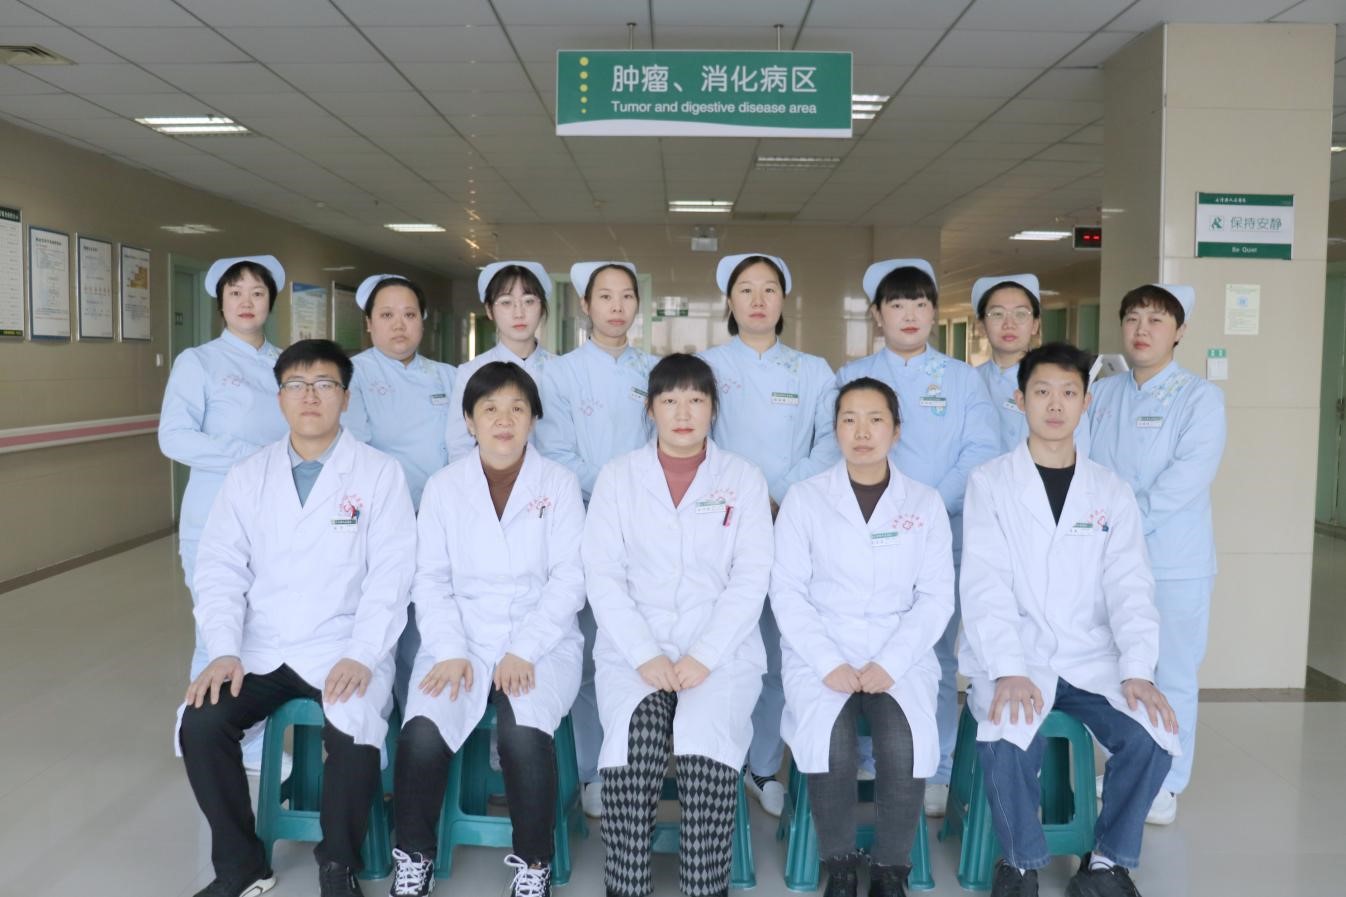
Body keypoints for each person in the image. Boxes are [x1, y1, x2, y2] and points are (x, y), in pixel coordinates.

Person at [179, 339, 416, 897]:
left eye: (324, 384)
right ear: (280, 397)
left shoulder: (379, 474)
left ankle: (337, 864)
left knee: (353, 724)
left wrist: (363, 652)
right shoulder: (248, 475)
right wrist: (224, 648)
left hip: (343, 644)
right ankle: (241, 866)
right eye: (296, 385)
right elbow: (219, 568)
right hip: (261, 646)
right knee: (201, 723)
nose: (310, 396)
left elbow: (392, 575)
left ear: (346, 397)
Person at [960, 342, 1179, 897]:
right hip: (1019, 651)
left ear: (1086, 403)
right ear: (1020, 400)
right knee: (1007, 734)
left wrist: (1138, 669)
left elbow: (1131, 586)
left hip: (1090, 655)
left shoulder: (1110, 491)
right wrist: (1008, 667)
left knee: (1153, 735)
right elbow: (984, 584)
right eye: (1042, 392)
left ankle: (1106, 862)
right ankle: (1020, 863)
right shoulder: (991, 482)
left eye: (1068, 392)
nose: (1055, 405)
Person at [390, 362, 586, 897]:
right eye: (490, 409)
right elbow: (430, 579)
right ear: (469, 421)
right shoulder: (444, 487)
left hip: (540, 640)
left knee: (523, 734)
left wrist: (525, 649)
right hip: (461, 638)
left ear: (533, 419)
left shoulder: (559, 484)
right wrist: (450, 649)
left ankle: (534, 863)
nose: (504, 420)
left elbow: (570, 578)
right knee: (422, 733)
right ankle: (414, 857)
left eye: (517, 408)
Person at [583, 354, 773, 897]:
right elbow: (602, 575)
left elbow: (751, 578)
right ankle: (627, 884)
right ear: (651, 409)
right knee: (636, 746)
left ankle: (703, 887)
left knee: (703, 753)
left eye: (696, 400)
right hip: (634, 652)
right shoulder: (618, 477)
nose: (683, 413)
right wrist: (644, 653)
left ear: (714, 408)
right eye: (669, 400)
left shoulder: (742, 479)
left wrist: (703, 656)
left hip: (720, 655)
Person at [771, 377, 954, 897]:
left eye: (876, 419)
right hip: (821, 649)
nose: (862, 432)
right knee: (832, 742)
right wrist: (826, 661)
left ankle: (891, 869)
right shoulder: (805, 500)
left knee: (901, 742)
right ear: (835, 430)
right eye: (849, 420)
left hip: (900, 653)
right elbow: (786, 591)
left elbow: (936, 598)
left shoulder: (925, 503)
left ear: (897, 429)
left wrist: (891, 663)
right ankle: (841, 866)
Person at [834, 259, 999, 814]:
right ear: (877, 315)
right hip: (859, 537)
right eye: (897, 304)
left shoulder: (962, 378)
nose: (910, 314)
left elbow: (980, 451)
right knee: (860, 646)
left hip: (940, 534)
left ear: (934, 313)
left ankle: (936, 766)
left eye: (921, 304)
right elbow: (835, 448)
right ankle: (865, 754)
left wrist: (921, 510)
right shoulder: (852, 375)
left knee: (934, 654)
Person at [698, 252, 839, 817]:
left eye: (769, 289)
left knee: (781, 649)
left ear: (784, 300)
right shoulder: (706, 366)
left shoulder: (813, 371)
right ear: (729, 302)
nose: (758, 300)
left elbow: (829, 442)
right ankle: (718, 763)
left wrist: (779, 492)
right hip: (719, 521)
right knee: (722, 644)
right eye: (746, 289)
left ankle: (762, 766)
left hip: (790, 519)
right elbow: (690, 436)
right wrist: (747, 496)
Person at [1087, 284, 1225, 825]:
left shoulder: (1199, 398)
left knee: (1172, 672)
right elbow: (1086, 466)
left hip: (1174, 561)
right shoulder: (1105, 392)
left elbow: (1186, 479)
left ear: (1180, 331)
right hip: (1109, 557)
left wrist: (1122, 524)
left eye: (1157, 320)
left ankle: (1167, 781)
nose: (1142, 330)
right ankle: (1128, 767)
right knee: (1115, 668)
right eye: (1133, 319)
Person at [535, 260, 659, 819]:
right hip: (583, 523)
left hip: (650, 525)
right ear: (584, 305)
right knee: (590, 651)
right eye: (604, 296)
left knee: (640, 646)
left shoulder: (654, 372)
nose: (616, 306)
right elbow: (557, 453)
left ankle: (639, 765)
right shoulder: (559, 374)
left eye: (626, 296)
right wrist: (615, 492)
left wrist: (637, 497)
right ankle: (593, 770)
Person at [159, 254, 289, 772]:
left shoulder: (287, 363)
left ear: (270, 302)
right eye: (235, 293)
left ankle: (241, 734)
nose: (246, 302)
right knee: (218, 629)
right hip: (214, 519)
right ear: (221, 303)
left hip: (274, 520)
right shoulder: (199, 362)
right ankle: (207, 736)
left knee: (263, 630)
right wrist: (249, 457)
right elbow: (174, 437)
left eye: (257, 292)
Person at [342, 273, 457, 711]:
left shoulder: (448, 376)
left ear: (423, 321)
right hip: (382, 522)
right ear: (368, 323)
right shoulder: (352, 375)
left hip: (441, 520)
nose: (399, 325)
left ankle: (425, 719)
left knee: (432, 624)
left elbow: (463, 447)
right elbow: (358, 454)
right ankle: (383, 729)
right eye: (387, 315)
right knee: (380, 623)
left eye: (409, 315)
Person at [445, 260, 554, 463]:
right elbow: (459, 446)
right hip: (488, 480)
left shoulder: (562, 370)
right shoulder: (471, 371)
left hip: (554, 480)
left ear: (541, 307)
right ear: (489, 310)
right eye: (506, 302)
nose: (519, 313)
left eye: (529, 301)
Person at [972, 274, 1090, 455]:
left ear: (1035, 325)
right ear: (981, 326)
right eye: (997, 314)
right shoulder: (969, 380)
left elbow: (1077, 450)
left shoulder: (1061, 382)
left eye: (1020, 314)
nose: (1009, 324)